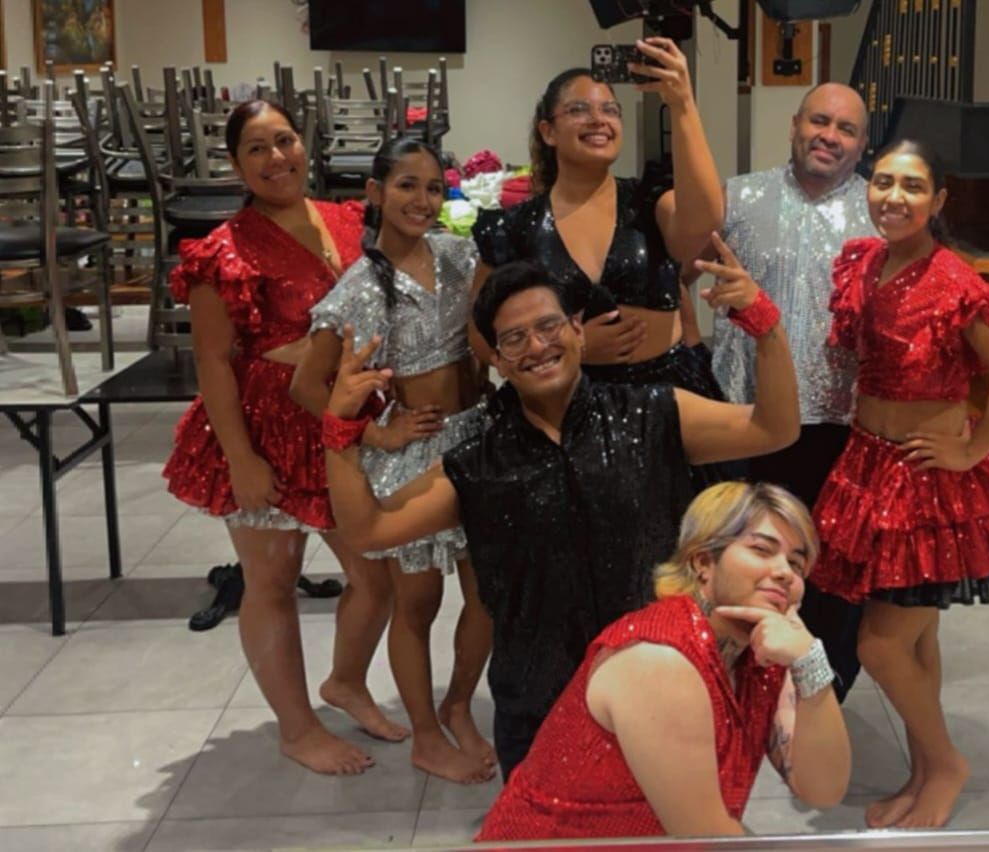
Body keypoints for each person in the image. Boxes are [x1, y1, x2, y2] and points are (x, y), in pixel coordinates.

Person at [321, 240, 799, 779]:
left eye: (549, 327)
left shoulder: (654, 415)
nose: (537, 346)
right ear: (498, 359)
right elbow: (369, 529)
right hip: (538, 707)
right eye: (515, 338)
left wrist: (763, 324)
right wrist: (340, 432)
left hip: (663, 682)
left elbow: (773, 427)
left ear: (577, 329)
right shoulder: (478, 465)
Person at [162, 100, 407, 775]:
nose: (277, 159)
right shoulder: (224, 251)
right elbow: (213, 361)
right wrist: (240, 457)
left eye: (285, 141)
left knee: (374, 574)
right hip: (265, 427)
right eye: (258, 150)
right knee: (271, 580)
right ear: (237, 165)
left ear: (306, 145)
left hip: (343, 421)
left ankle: (346, 682)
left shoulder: (350, 222)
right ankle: (297, 729)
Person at [808, 139, 989, 829]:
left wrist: (973, 452)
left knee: (878, 644)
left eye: (912, 186)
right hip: (871, 462)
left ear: (938, 201)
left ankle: (944, 765)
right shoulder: (870, 261)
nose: (894, 197)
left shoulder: (953, 280)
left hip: (926, 479)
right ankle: (922, 771)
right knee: (914, 642)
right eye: (883, 182)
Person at [474, 481, 851, 839]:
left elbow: (822, 789)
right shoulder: (660, 661)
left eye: (797, 563)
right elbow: (707, 837)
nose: (785, 572)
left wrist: (809, 662)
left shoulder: (761, 652)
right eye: (762, 550)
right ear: (703, 561)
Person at [290, 137, 495, 784]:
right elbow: (306, 386)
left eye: (434, 187)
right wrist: (373, 435)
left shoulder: (461, 257)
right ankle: (426, 736)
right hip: (411, 455)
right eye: (406, 185)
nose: (422, 199)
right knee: (418, 603)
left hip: (478, 436)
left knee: (488, 591)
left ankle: (459, 702)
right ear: (375, 194)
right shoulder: (359, 286)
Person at [471, 39, 729, 486]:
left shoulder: (651, 202)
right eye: (579, 110)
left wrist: (683, 103)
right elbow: (481, 338)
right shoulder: (511, 228)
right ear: (548, 131)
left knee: (673, 545)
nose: (598, 119)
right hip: (560, 408)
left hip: (663, 403)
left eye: (610, 110)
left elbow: (704, 222)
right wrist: (572, 347)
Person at [711, 82, 877, 702]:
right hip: (745, 415)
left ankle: (820, 694)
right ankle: (734, 688)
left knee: (827, 570)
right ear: (794, 124)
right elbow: (679, 266)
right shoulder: (737, 197)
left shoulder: (879, 213)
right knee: (741, 560)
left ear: (862, 144)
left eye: (845, 129)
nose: (829, 136)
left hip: (840, 424)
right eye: (819, 120)